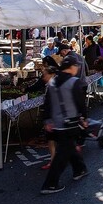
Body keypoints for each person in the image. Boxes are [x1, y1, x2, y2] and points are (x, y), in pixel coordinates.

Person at [40, 55, 89, 194]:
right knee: (62, 153)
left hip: (56, 123)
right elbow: (80, 102)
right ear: (72, 67)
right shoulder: (75, 82)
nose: (78, 68)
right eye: (76, 66)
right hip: (70, 122)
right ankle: (50, 184)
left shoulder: (52, 81)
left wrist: (47, 120)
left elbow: (47, 103)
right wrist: (84, 118)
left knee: (69, 147)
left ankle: (80, 169)